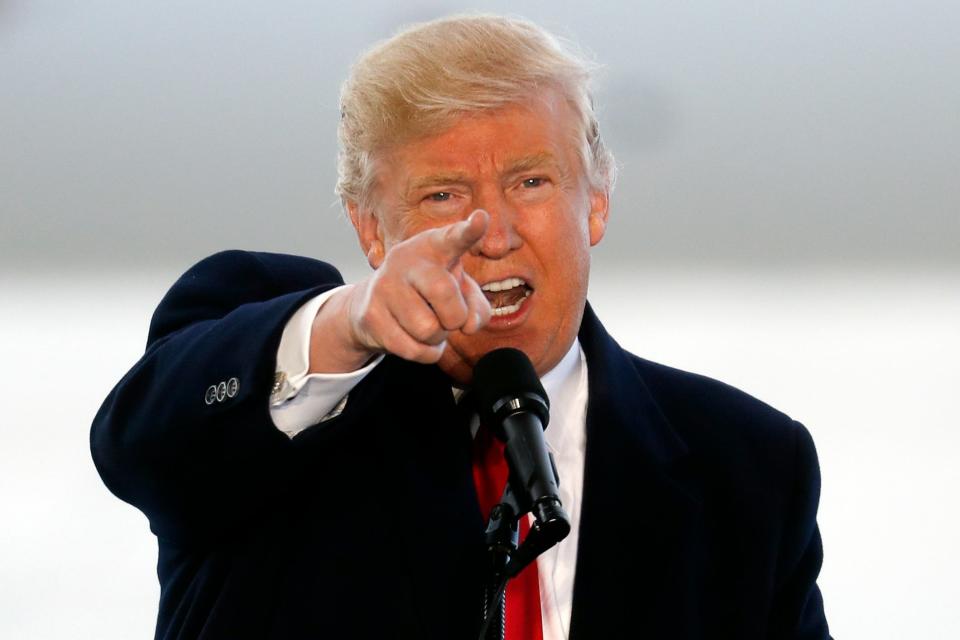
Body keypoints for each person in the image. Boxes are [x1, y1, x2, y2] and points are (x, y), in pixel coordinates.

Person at [91, 14, 831, 640]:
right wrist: (353, 320)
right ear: (372, 231)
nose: (493, 232)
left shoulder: (752, 468)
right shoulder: (286, 402)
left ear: (596, 200)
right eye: (443, 195)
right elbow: (140, 443)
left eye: (531, 182)